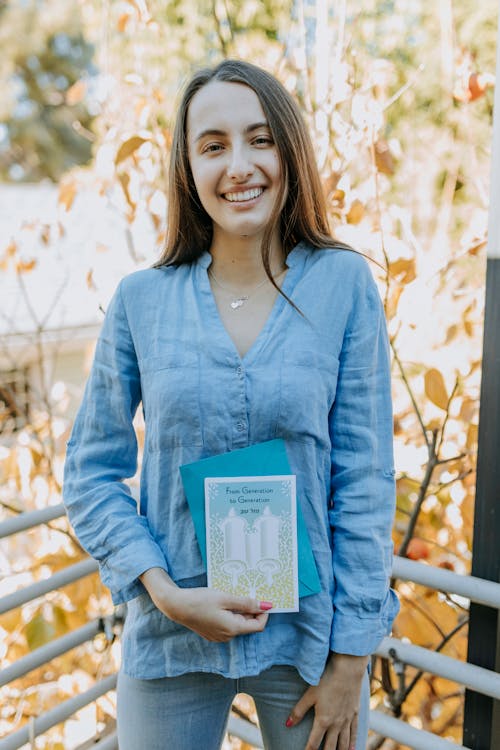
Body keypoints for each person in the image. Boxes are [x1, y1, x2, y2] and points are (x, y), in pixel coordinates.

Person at [63, 59, 399, 750]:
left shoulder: (344, 285)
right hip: (172, 640)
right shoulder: (140, 301)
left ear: (289, 151)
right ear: (188, 169)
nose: (239, 164)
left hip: (309, 645)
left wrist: (351, 661)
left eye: (260, 138)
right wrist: (161, 589)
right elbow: (90, 474)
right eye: (212, 145)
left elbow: (364, 483)